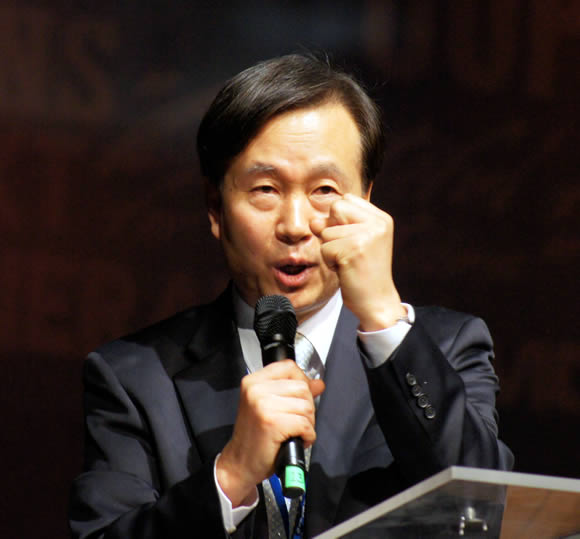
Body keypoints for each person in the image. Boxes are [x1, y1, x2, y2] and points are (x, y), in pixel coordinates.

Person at [69, 54, 513, 538]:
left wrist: (384, 321)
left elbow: (483, 511)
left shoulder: (446, 348)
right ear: (216, 208)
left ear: (367, 202)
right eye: (265, 189)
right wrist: (231, 475)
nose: (296, 226)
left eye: (324, 190)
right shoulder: (134, 378)